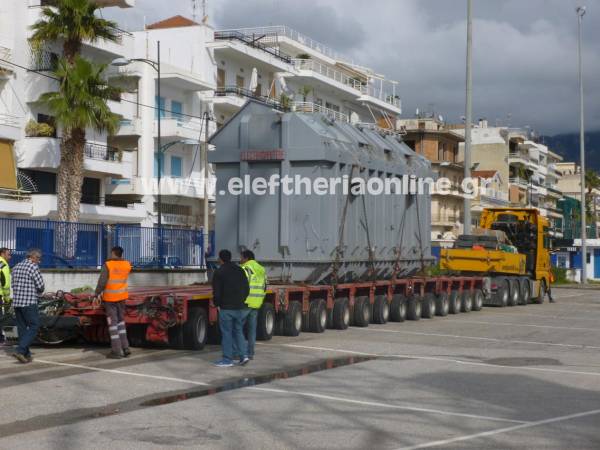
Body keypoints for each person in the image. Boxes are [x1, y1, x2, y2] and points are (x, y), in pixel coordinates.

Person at [211, 249, 249, 367]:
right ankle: (243, 356)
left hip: (226, 308)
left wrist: (216, 304)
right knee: (238, 331)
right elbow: (247, 289)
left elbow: (217, 292)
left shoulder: (219, 272)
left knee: (227, 333)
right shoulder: (240, 270)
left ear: (220, 259)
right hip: (240, 307)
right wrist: (242, 301)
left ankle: (227, 359)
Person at [95, 246, 132, 359]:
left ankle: (116, 351)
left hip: (110, 299)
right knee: (121, 322)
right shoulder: (127, 265)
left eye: (111, 254)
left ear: (113, 253)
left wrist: (96, 293)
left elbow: (102, 282)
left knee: (113, 325)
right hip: (122, 298)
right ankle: (125, 348)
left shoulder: (108, 265)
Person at [10, 248, 44, 363]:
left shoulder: (16, 267)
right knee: (34, 326)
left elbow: (12, 285)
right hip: (28, 302)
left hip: (17, 302)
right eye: (38, 259)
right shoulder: (33, 267)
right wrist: (39, 292)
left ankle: (26, 354)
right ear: (33, 257)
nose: (39, 261)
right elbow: (40, 286)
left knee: (22, 328)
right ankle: (20, 350)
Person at [240, 250, 266, 360]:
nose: (240, 260)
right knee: (252, 330)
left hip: (246, 303)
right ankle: (250, 353)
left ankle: (240, 352)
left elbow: (241, 286)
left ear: (246, 258)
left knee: (237, 328)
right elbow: (265, 287)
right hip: (257, 303)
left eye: (241, 257)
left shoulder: (245, 268)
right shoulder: (261, 269)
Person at [0, 248, 12, 346]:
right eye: (8, 254)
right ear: (2, 254)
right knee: (2, 317)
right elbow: (6, 284)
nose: (10, 257)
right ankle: (1, 340)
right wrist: (7, 299)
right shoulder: (4, 265)